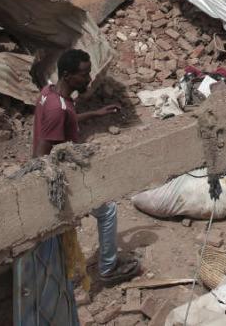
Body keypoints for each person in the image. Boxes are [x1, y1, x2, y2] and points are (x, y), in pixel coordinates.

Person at [33, 49, 140, 285]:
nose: (89, 79)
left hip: (66, 171)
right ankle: (108, 269)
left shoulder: (50, 93)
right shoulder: (57, 109)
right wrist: (56, 188)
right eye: (84, 74)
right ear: (68, 75)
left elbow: (65, 119)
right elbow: (40, 154)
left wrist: (94, 113)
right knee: (108, 210)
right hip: (63, 177)